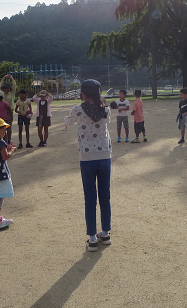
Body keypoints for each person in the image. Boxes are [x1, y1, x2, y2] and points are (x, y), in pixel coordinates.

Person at [64, 79, 112, 252]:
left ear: (83, 94)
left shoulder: (77, 109)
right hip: (104, 155)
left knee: (90, 198)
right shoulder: (106, 109)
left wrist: (67, 120)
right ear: (99, 93)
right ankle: (105, 233)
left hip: (87, 157)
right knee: (105, 196)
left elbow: (68, 121)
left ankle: (92, 237)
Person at [0, 74, 17, 142]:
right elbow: (1, 84)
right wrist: (4, 77)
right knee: (3, 127)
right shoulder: (1, 94)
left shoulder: (12, 93)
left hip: (9, 112)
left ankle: (9, 139)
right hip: (2, 112)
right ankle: (4, 140)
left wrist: (11, 78)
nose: (6, 89)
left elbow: (14, 85)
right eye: (4, 88)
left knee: (9, 127)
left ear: (9, 89)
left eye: (7, 88)